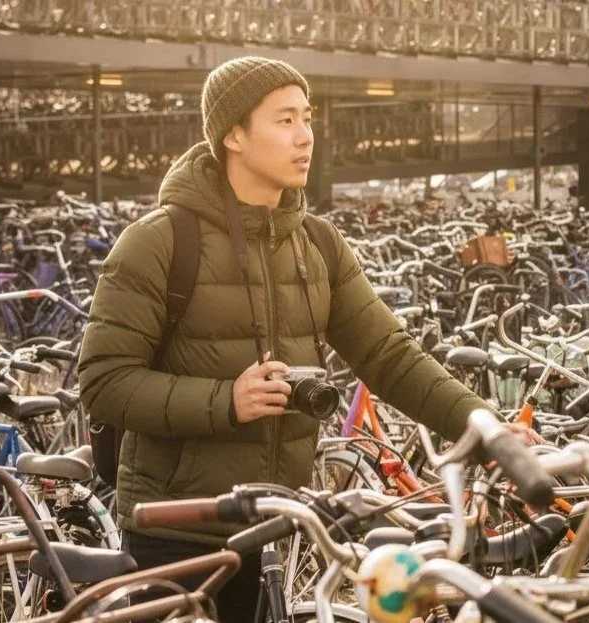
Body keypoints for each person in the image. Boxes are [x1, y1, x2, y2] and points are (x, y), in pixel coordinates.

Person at [77, 56, 512, 620]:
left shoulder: (318, 243)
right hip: (176, 533)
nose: (305, 136)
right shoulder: (159, 241)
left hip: (277, 527)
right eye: (285, 120)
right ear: (233, 134)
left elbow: (389, 356)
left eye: (307, 118)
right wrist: (226, 401)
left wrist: (489, 431)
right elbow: (104, 381)